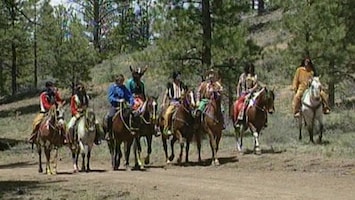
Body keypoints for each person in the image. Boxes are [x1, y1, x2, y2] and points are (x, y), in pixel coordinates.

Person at [105, 74, 137, 140]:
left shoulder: (124, 88)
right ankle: (109, 132)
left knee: (133, 115)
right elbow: (110, 97)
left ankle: (132, 129)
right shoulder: (112, 87)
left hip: (124, 106)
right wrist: (118, 100)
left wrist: (131, 103)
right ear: (117, 81)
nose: (122, 82)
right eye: (121, 81)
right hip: (115, 106)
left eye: (122, 81)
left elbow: (129, 96)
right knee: (110, 116)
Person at [161, 71, 188, 135]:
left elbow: (185, 94)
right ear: (175, 77)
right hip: (173, 103)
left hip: (180, 103)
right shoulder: (170, 85)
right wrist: (163, 102)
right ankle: (166, 129)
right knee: (167, 113)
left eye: (179, 76)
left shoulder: (182, 85)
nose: (179, 78)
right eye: (178, 76)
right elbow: (166, 94)